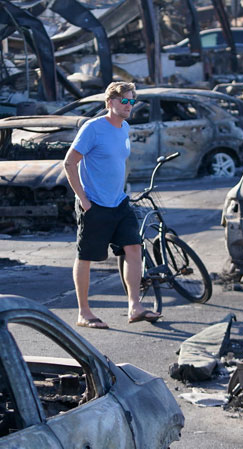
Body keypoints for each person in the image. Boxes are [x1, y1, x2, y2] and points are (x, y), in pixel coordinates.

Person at [64, 81, 161, 329]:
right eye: (123, 101)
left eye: (131, 101)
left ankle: (134, 306)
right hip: (94, 204)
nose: (128, 106)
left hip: (119, 202)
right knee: (86, 256)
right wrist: (83, 200)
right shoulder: (93, 128)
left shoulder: (124, 127)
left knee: (133, 248)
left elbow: (119, 162)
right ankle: (84, 313)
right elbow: (69, 163)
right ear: (110, 102)